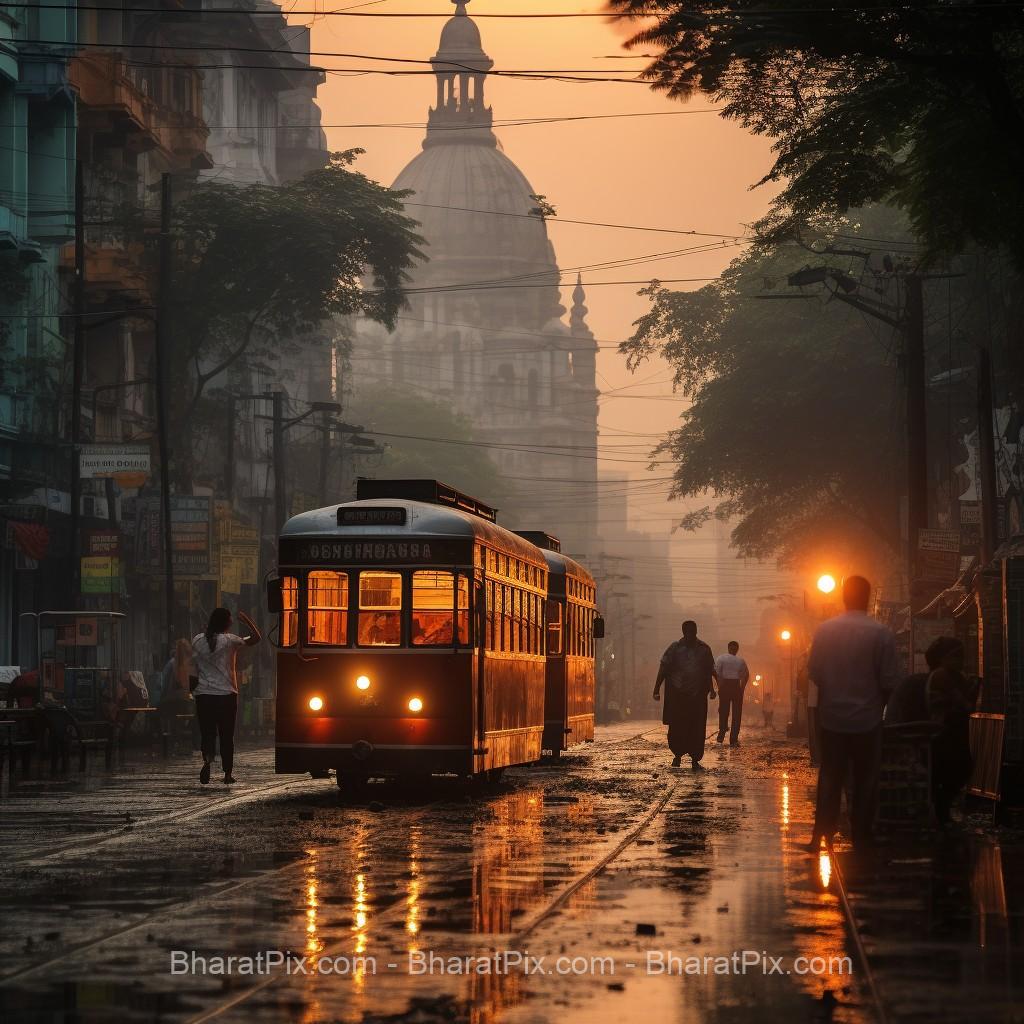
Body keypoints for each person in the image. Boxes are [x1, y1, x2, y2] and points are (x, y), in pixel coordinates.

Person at [806, 576, 901, 851]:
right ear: (868, 597)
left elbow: (815, 673)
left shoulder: (825, 631)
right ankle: (862, 832)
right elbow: (888, 681)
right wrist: (875, 707)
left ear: (843, 597)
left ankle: (821, 833)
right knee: (865, 778)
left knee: (831, 775)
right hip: (868, 721)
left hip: (832, 718)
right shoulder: (881, 633)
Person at [192, 608, 262, 785]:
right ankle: (227, 774)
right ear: (227, 622)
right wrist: (247, 620)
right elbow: (256, 638)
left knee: (207, 732)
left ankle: (207, 760)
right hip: (226, 694)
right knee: (226, 735)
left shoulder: (197, 640)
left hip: (203, 694)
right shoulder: (230, 640)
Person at [925, 637, 979, 824]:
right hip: (943, 731)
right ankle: (940, 811)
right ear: (943, 658)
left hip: (955, 730)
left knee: (959, 769)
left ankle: (942, 810)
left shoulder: (957, 676)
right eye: (956, 656)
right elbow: (963, 703)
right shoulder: (942, 675)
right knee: (950, 769)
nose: (960, 661)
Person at [653, 620, 717, 770]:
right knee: (677, 727)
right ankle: (677, 755)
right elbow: (663, 668)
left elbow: (709, 671)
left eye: (692, 631)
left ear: (696, 631)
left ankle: (695, 759)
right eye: (687, 631)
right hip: (677, 696)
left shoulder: (704, 649)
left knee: (697, 728)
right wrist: (656, 689)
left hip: (698, 696)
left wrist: (713, 688)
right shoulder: (674, 649)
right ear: (683, 632)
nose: (689, 634)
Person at [714, 640, 750, 746]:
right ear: (737, 649)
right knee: (736, 713)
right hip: (735, 686)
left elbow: (717, 673)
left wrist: (719, 685)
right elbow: (746, 675)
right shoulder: (740, 660)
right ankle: (733, 739)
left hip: (725, 685)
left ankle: (721, 733)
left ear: (728, 648)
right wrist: (742, 688)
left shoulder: (721, 658)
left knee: (723, 710)